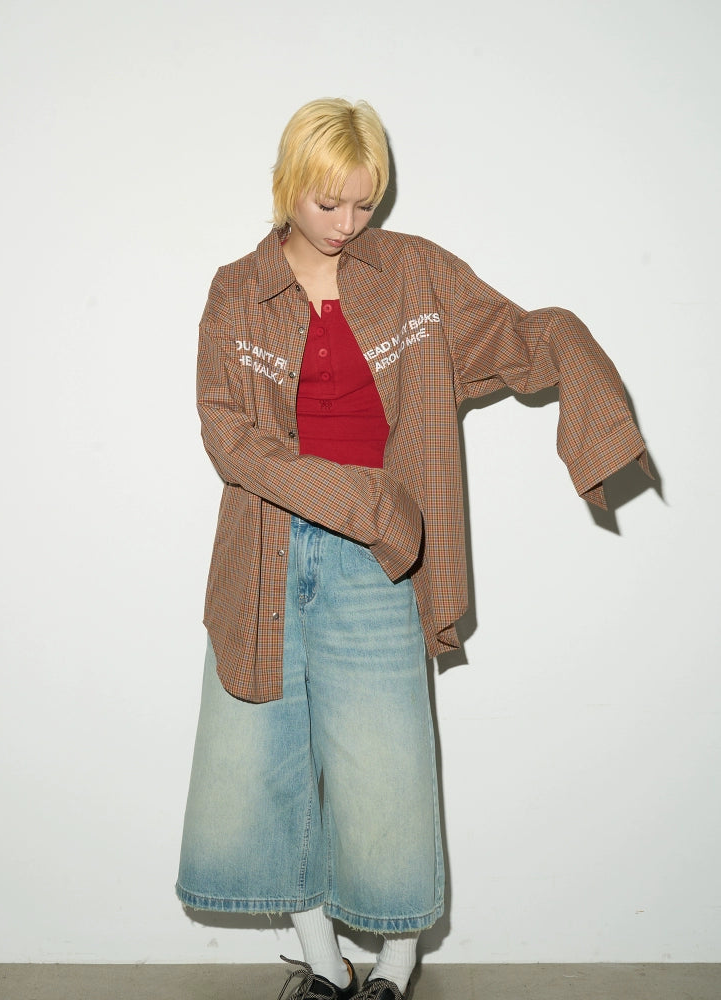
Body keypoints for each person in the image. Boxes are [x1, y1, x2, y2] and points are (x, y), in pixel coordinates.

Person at [176, 97, 650, 1000]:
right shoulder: (236, 290)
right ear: (287, 187)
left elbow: (510, 337)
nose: (347, 223)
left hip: (377, 559)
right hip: (264, 553)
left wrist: (569, 347)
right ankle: (322, 962)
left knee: (386, 766)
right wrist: (362, 497)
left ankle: (396, 966)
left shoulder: (415, 275)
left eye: (364, 202)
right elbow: (228, 437)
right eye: (328, 203)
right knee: (264, 760)